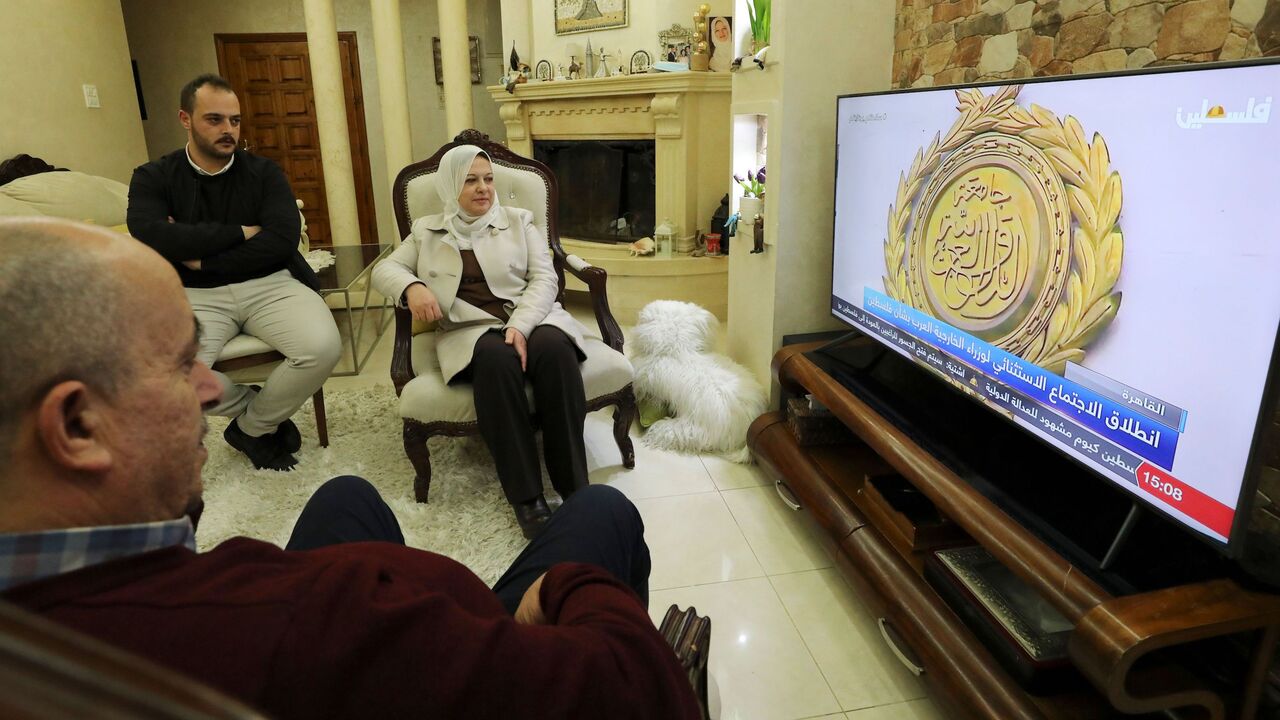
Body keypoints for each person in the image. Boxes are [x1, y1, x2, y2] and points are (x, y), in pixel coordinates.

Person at [0, 217, 701, 720]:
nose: (213, 389)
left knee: (345, 493)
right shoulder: (312, 626)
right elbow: (633, 685)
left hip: (519, 340)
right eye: (184, 365)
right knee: (605, 513)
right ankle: (540, 505)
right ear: (76, 426)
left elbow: (548, 277)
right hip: (472, 641)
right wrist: (565, 585)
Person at [372, 145, 590, 539]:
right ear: (450, 185)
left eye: (488, 179)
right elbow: (385, 269)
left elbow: (546, 280)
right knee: (496, 360)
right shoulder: (426, 230)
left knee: (557, 352)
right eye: (470, 180)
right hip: (470, 330)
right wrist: (412, 285)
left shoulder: (520, 221)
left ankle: (576, 489)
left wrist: (521, 326)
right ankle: (527, 498)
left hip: (531, 316)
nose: (483, 188)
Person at [126, 73, 341, 472]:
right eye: (215, 119)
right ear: (185, 119)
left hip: (270, 284)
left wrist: (203, 256)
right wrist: (239, 233)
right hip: (192, 295)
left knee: (323, 347)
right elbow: (150, 233)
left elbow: (281, 239)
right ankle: (257, 411)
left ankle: (251, 427)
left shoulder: (264, 173)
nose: (228, 130)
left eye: (235, 120)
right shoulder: (153, 176)